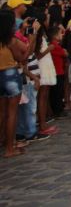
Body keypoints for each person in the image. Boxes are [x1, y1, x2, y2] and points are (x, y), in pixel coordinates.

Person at [0, 10, 28, 157]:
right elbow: (21, 57)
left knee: (2, 112)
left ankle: (4, 140)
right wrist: (32, 39)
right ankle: (10, 148)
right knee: (12, 113)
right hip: (10, 74)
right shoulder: (10, 40)